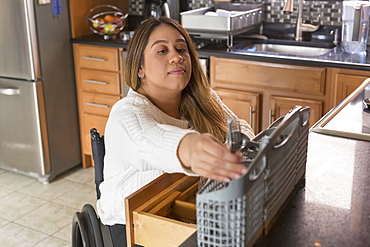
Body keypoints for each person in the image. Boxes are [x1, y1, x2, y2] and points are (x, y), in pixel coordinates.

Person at [96, 17, 255, 246]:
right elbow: (149, 141)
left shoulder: (204, 99)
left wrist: (244, 150)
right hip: (130, 225)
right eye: (162, 51)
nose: (176, 56)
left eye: (181, 48)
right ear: (139, 68)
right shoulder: (126, 113)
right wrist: (189, 147)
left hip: (182, 201)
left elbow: (237, 126)